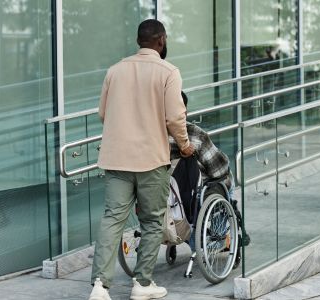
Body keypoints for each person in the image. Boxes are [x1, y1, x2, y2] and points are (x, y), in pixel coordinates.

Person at [89, 19, 194, 300]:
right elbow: (175, 117)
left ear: (139, 41)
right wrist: (184, 146)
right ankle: (142, 284)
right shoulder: (168, 72)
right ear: (160, 41)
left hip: (116, 159)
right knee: (151, 221)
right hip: (151, 160)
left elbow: (103, 113)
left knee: (112, 219)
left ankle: (100, 286)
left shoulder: (115, 71)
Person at [169, 92, 250, 250]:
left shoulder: (152, 136)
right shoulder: (193, 134)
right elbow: (218, 169)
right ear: (184, 112)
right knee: (226, 182)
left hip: (163, 195)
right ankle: (218, 238)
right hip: (192, 196)